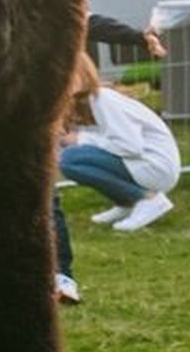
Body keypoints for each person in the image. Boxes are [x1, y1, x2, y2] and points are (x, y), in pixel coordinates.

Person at [60, 55, 182, 233]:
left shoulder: (103, 99)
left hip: (154, 165)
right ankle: (127, 203)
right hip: (141, 164)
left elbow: (130, 146)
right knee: (72, 159)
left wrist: (81, 139)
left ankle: (147, 199)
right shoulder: (86, 102)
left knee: (72, 159)